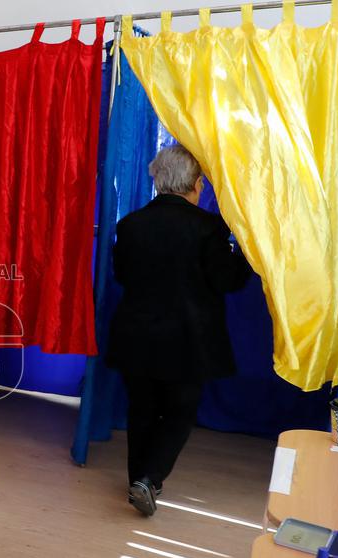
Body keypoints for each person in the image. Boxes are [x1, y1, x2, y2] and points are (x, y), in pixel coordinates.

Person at [106, 145, 252, 517]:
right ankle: (149, 480)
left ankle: (138, 479)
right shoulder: (209, 228)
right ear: (194, 184)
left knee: (141, 410)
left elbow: (122, 276)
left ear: (158, 180)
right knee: (179, 413)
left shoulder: (131, 225)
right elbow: (229, 281)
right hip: (188, 340)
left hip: (136, 335)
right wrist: (244, 253)